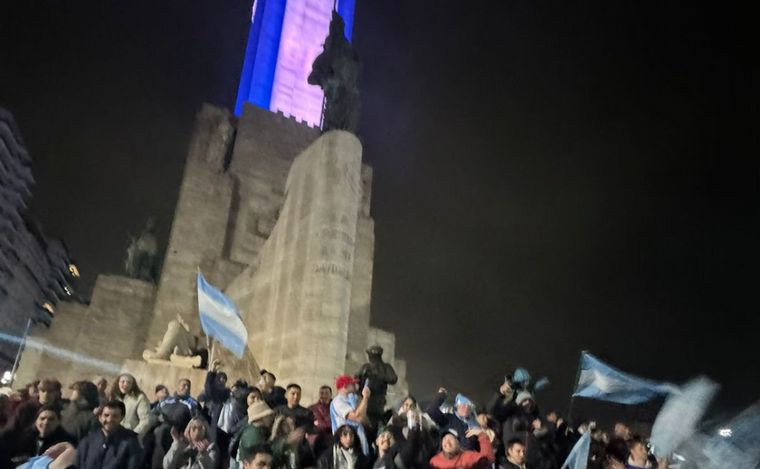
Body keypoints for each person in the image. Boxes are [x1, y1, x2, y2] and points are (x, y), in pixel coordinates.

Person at [76, 400, 143, 469]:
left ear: (121, 418)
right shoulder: (87, 442)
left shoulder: (130, 442)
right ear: (100, 417)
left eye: (115, 416)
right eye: (106, 415)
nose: (110, 420)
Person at [4, 405, 76, 467]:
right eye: (42, 418)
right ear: (36, 421)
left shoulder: (66, 441)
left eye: (51, 419)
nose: (46, 422)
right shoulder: (25, 439)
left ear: (58, 421)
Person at [329, 374, 370, 455]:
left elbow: (362, 418)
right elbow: (356, 416)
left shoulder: (352, 398)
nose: (355, 385)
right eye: (352, 384)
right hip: (345, 441)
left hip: (356, 440)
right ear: (345, 386)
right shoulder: (337, 402)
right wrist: (365, 398)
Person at [110, 373, 152, 439]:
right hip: (113, 436)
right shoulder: (113, 397)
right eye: (122, 381)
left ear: (133, 385)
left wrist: (133, 435)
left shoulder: (139, 398)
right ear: (118, 383)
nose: (125, 384)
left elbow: (145, 420)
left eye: (129, 382)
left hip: (130, 437)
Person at [429, 427, 495, 469]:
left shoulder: (469, 457)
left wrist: (482, 435)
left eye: (451, 438)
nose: (447, 441)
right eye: (444, 439)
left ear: (459, 444)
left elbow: (488, 460)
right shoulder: (434, 462)